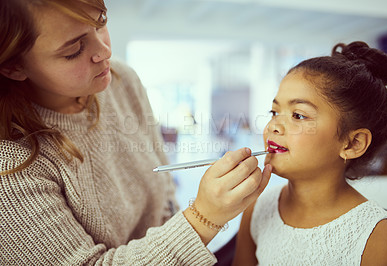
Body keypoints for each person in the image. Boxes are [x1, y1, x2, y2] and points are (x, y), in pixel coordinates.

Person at [0, 0, 272, 265]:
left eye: (100, 23)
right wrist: (204, 216)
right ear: (13, 67)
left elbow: (164, 193)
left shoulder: (120, 78)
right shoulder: (10, 168)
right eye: (74, 50)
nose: (104, 51)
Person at [233, 41, 387, 265]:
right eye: (274, 111)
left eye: (298, 115)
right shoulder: (255, 208)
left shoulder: (380, 238)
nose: (273, 126)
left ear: (353, 143)